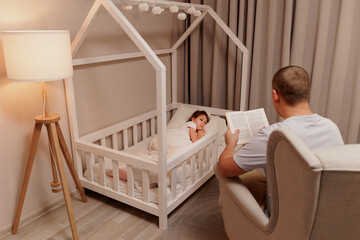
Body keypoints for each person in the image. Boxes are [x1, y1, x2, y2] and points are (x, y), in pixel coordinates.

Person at [217, 65, 344, 214]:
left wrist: (230, 143)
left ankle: (233, 231)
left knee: (226, 173)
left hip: (281, 222)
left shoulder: (274, 137)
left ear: (275, 95)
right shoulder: (331, 127)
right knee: (255, 177)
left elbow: (224, 168)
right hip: (321, 215)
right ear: (307, 93)